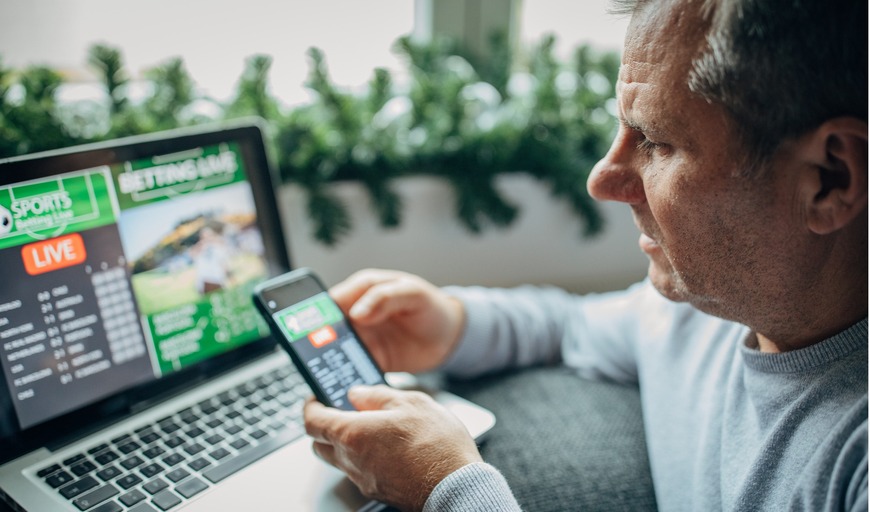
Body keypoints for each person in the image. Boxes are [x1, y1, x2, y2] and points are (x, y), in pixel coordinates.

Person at [303, 0, 868, 510]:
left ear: (830, 178)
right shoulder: (701, 314)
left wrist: (450, 491)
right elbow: (572, 326)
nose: (603, 179)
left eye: (656, 142)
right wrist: (452, 323)